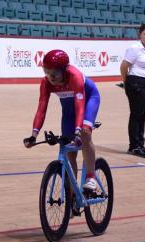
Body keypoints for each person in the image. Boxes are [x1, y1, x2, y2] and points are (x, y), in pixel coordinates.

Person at [23, 49, 100, 192]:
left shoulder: (75, 76)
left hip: (88, 100)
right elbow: (41, 108)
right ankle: (73, 193)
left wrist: (78, 130)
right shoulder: (46, 82)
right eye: (46, 71)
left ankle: (91, 177)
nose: (50, 77)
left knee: (85, 133)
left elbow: (79, 104)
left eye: (54, 73)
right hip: (69, 110)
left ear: (64, 70)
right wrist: (33, 135)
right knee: (68, 149)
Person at [120, 24, 145, 158]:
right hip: (136, 83)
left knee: (143, 115)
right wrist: (126, 83)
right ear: (140, 34)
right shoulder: (135, 48)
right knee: (136, 115)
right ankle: (134, 146)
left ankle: (140, 144)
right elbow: (124, 66)